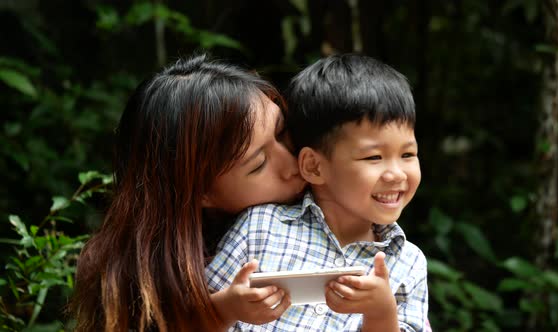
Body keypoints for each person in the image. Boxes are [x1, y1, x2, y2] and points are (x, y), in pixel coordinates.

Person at [69, 54, 307, 331]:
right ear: (201, 192)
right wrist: (221, 312)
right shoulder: (151, 280)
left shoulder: (335, 190)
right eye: (259, 165)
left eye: (283, 133)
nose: (293, 164)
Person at [206, 53, 428, 331]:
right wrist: (227, 306)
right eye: (373, 158)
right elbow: (187, 318)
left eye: (408, 154)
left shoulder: (409, 263)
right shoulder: (260, 227)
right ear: (314, 166)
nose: (396, 173)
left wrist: (382, 313)